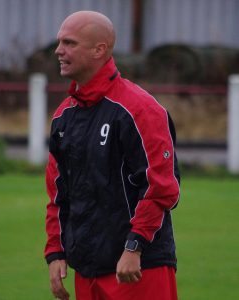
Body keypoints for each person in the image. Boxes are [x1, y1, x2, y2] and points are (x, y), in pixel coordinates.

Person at [44, 10, 180, 300]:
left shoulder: (140, 109)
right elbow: (58, 194)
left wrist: (134, 247)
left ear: (99, 49)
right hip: (87, 271)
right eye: (59, 42)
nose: (59, 50)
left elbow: (161, 189)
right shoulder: (62, 117)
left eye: (69, 43)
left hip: (138, 267)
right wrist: (55, 251)